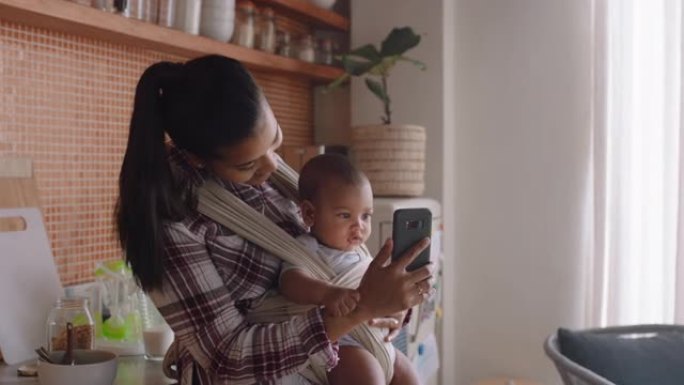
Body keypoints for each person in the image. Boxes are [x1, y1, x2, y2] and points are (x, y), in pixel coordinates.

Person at [116, 54, 432, 385]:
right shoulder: (171, 213)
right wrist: (363, 307)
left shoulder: (272, 174)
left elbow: (330, 255)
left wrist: (391, 302)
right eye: (248, 166)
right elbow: (228, 355)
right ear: (197, 159)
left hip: (344, 347)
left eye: (275, 141)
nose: (270, 168)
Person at [280, 153, 421, 385]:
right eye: (345, 215)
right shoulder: (307, 247)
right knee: (369, 377)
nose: (359, 226)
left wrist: (398, 305)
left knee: (410, 377)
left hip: (375, 337)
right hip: (341, 342)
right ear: (309, 213)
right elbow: (290, 281)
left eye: (366, 216)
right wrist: (327, 293)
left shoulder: (360, 251)